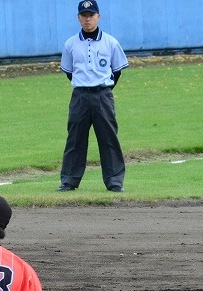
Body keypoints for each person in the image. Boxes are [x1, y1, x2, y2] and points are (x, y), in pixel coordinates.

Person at [58, 0, 129, 193]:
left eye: (91, 15)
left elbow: (117, 71)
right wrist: (84, 86)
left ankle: (114, 182)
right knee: (75, 139)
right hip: (80, 96)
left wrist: (103, 88)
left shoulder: (111, 42)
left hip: (102, 95)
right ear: (78, 18)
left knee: (108, 138)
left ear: (98, 16)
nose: (87, 19)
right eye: (84, 15)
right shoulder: (71, 44)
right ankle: (69, 181)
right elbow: (69, 72)